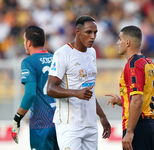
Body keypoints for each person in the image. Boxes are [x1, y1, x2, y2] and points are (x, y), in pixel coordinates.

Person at [47, 15, 111, 150]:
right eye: (88, 32)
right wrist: (75, 93)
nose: (93, 36)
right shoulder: (63, 53)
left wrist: (102, 116)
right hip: (69, 124)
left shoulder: (92, 53)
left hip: (90, 123)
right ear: (77, 32)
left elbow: (89, 92)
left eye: (95, 33)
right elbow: (50, 89)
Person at [106, 25, 154, 150]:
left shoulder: (133, 65)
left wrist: (130, 132)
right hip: (151, 126)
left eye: (120, 39)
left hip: (137, 127)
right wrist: (122, 101)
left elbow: (137, 99)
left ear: (128, 42)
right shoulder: (150, 64)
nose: (117, 42)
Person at [11, 26, 59, 150]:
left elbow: (30, 94)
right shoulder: (57, 59)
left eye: (24, 40)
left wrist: (17, 118)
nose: (23, 43)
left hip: (41, 124)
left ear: (29, 43)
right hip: (61, 122)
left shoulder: (28, 62)